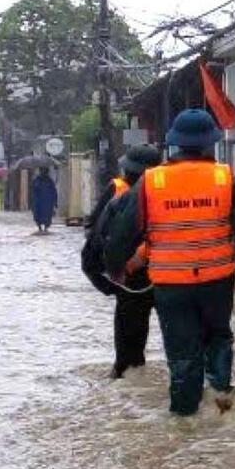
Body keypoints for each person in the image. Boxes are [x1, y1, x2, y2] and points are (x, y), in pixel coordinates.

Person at [102, 109, 235, 416]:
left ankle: (184, 417)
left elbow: (121, 233)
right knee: (218, 338)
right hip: (217, 281)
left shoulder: (151, 181)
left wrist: (117, 270)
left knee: (182, 352)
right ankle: (219, 396)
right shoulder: (225, 179)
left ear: (174, 144)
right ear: (211, 143)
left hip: (171, 285)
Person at [81, 146, 162, 379]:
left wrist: (106, 281)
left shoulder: (117, 189)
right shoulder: (162, 190)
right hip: (167, 272)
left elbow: (96, 233)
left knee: (129, 340)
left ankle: (127, 380)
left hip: (130, 277)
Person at [30, 168, 59, 234]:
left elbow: (54, 192)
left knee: (47, 215)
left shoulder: (49, 181)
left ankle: (46, 228)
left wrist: (55, 202)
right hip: (38, 202)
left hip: (47, 202)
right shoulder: (36, 180)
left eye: (45, 171)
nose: (43, 172)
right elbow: (33, 191)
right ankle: (40, 228)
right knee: (37, 215)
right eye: (42, 171)